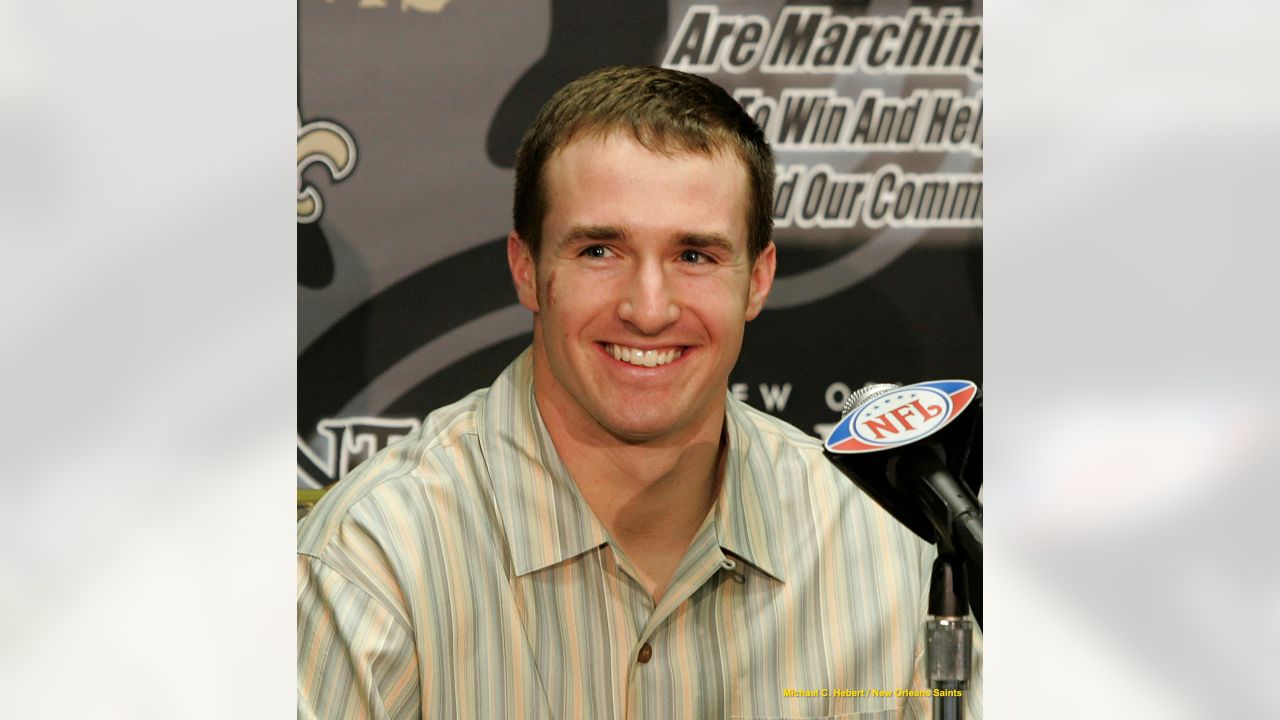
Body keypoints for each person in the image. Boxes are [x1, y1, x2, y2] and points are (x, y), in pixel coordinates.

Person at [298, 65, 982, 719]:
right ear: (527, 270)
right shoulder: (371, 561)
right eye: (600, 250)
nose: (649, 309)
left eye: (695, 256)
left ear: (759, 279)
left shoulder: (889, 547)